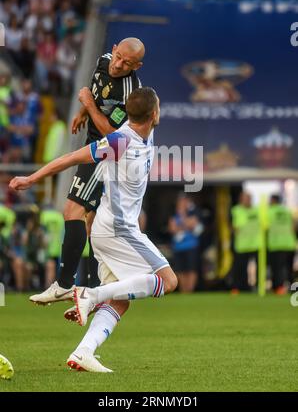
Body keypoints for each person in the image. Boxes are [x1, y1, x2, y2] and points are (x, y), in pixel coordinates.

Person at [10, 87, 178, 373]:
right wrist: (32, 178)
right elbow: (72, 158)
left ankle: (83, 352)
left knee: (121, 301)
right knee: (168, 281)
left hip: (108, 227)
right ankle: (90, 295)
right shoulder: (120, 140)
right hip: (119, 229)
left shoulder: (145, 132)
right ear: (154, 114)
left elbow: (138, 104)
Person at [29, 37, 144, 304]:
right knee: (91, 223)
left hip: (107, 153)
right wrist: (83, 111)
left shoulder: (131, 93)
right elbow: (95, 89)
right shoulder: (103, 61)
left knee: (73, 211)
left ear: (136, 65)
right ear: (113, 49)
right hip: (93, 144)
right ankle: (96, 290)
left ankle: (65, 284)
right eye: (117, 57)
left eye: (126, 63)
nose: (117, 65)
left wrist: (89, 106)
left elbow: (114, 136)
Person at [168, 193, 201, 293]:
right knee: (180, 270)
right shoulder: (173, 217)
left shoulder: (193, 214)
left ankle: (190, 290)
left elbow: (193, 224)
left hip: (191, 246)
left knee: (191, 269)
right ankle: (184, 291)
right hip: (178, 247)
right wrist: (185, 226)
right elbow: (173, 229)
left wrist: (183, 219)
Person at [231, 191, 261, 292]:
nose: (248, 200)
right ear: (241, 199)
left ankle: (257, 287)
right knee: (240, 268)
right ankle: (240, 287)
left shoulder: (257, 210)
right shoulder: (236, 210)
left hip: (256, 243)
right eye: (246, 198)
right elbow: (231, 226)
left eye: (249, 198)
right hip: (242, 244)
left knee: (259, 268)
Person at [267, 194, 297, 294]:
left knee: (277, 269)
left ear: (273, 201)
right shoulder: (287, 211)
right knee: (289, 269)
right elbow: (294, 226)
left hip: (276, 245)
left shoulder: (269, 212)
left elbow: (265, 226)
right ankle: (293, 289)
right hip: (289, 244)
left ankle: (279, 288)